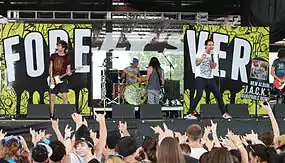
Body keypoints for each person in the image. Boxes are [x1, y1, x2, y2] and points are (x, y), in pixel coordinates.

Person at [185, 39, 231, 119]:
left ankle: (224, 113)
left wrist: (212, 59)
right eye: (209, 45)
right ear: (206, 46)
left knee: (218, 95)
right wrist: (202, 58)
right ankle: (190, 113)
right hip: (200, 77)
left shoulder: (215, 54)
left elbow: (213, 67)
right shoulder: (201, 52)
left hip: (210, 78)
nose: (211, 46)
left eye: (212, 45)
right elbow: (196, 63)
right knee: (199, 95)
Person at [49, 40, 72, 118]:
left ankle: (65, 114)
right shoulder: (53, 56)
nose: (57, 47)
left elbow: (68, 69)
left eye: (59, 46)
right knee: (52, 97)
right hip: (53, 79)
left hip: (63, 79)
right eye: (57, 45)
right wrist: (51, 78)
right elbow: (50, 67)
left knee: (64, 96)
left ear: (63, 48)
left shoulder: (67, 57)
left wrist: (69, 72)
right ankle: (51, 115)